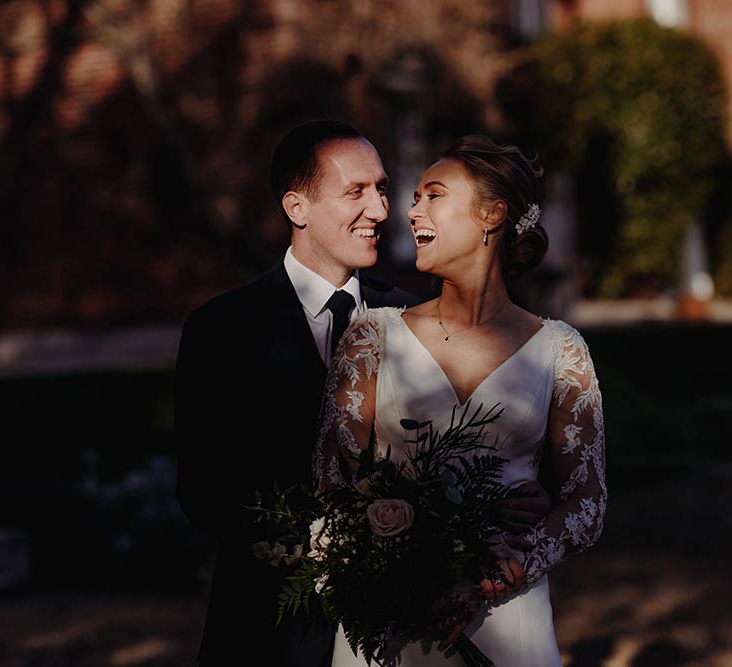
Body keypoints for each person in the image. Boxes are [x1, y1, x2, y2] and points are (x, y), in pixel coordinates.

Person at [174, 121, 552, 666]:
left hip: (411, 632)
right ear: (297, 208)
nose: (379, 209)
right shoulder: (222, 329)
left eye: (380, 189)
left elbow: (472, 450)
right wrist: (348, 552)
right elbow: (206, 492)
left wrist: (514, 503)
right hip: (275, 632)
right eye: (356, 192)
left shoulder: (412, 315)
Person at [314, 134, 607, 666]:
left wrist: (504, 569)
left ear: (491, 215)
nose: (410, 210)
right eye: (417, 197)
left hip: (507, 618)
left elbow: (587, 503)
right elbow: (330, 484)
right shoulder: (370, 340)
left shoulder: (562, 352)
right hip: (392, 620)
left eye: (433, 195)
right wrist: (400, 557)